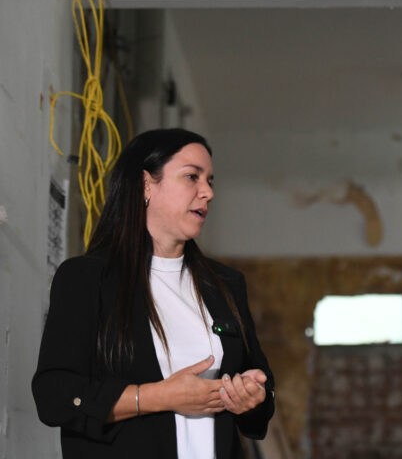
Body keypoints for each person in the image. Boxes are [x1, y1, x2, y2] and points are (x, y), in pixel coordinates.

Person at [33, 129, 274, 458]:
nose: (207, 192)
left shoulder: (225, 284)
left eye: (210, 181)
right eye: (192, 177)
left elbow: (260, 391)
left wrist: (253, 396)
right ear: (146, 184)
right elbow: (54, 396)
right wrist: (160, 396)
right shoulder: (86, 278)